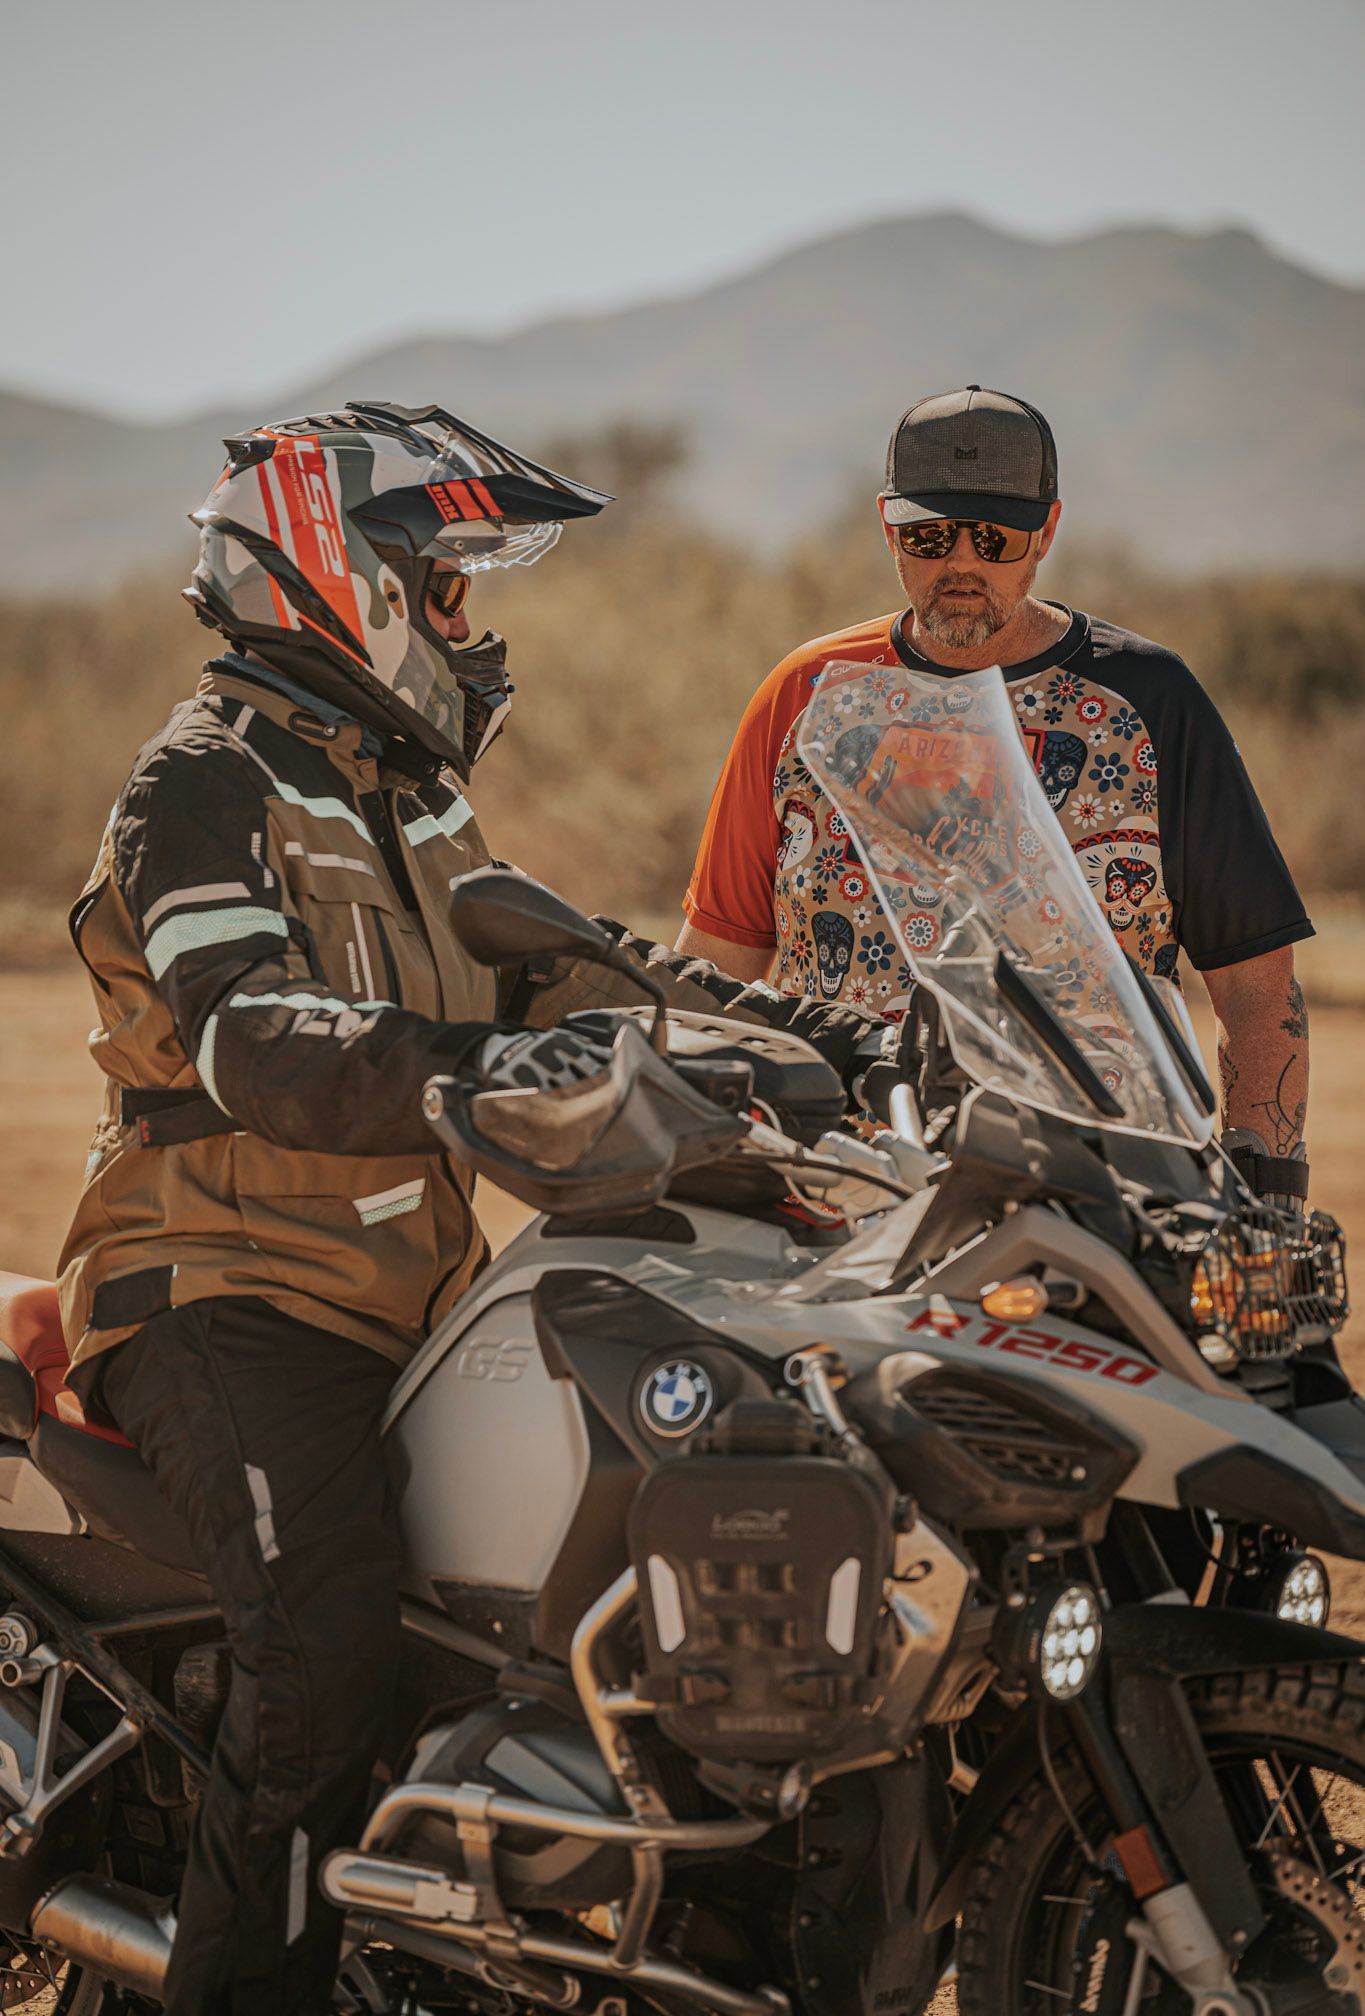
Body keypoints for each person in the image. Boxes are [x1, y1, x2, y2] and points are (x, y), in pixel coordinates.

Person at [55, 401, 866, 2014]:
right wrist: (478, 1065)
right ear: (339, 576)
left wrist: (829, 1042)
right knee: (321, 1665)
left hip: (407, 1309)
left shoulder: (411, 798)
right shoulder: (201, 782)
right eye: (447, 587)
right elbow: (249, 1033)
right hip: (220, 1293)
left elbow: (592, 972)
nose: (467, 626)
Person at [677, 385, 1314, 1198]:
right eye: (931, 534)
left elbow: (1255, 988)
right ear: (888, 529)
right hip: (837, 1178)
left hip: (1100, 1185)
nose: (961, 563)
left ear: (1045, 531)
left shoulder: (1149, 700)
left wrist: (1266, 1191)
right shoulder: (807, 696)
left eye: (995, 537)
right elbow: (717, 966)